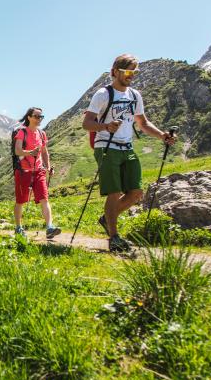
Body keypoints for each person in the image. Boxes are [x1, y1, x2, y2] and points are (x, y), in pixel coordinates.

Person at [82, 54, 177, 252]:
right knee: (115, 192)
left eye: (134, 72)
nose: (131, 75)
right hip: (106, 146)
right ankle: (114, 238)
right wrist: (106, 126)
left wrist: (162, 136)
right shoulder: (103, 94)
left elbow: (142, 123)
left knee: (136, 192)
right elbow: (87, 123)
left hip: (127, 146)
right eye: (127, 71)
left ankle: (107, 219)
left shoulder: (135, 95)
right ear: (115, 71)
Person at [13, 107, 61, 239]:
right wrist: (29, 153)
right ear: (29, 117)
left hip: (39, 171)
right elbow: (17, 150)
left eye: (41, 117)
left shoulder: (42, 134)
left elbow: (44, 152)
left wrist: (48, 167)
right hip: (24, 171)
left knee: (44, 198)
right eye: (36, 116)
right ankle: (18, 227)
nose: (39, 119)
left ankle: (49, 227)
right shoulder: (22, 132)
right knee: (20, 201)